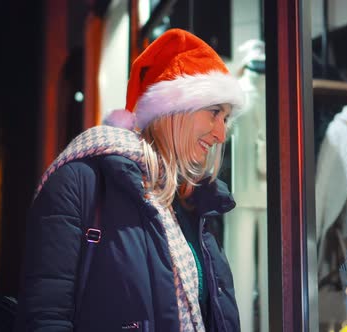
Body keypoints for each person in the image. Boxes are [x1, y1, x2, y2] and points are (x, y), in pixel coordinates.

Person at [14, 28, 244, 332]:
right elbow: (45, 317)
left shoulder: (190, 203)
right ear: (173, 111)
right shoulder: (80, 183)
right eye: (214, 113)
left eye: (225, 118)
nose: (221, 133)